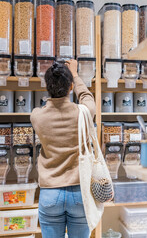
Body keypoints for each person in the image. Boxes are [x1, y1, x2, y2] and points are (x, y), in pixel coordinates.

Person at [30, 59, 96, 238]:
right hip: (79, 192)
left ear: (47, 87)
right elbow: (87, 97)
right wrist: (74, 75)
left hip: (50, 193)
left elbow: (48, 107)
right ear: (71, 88)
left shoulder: (36, 116)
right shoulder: (83, 113)